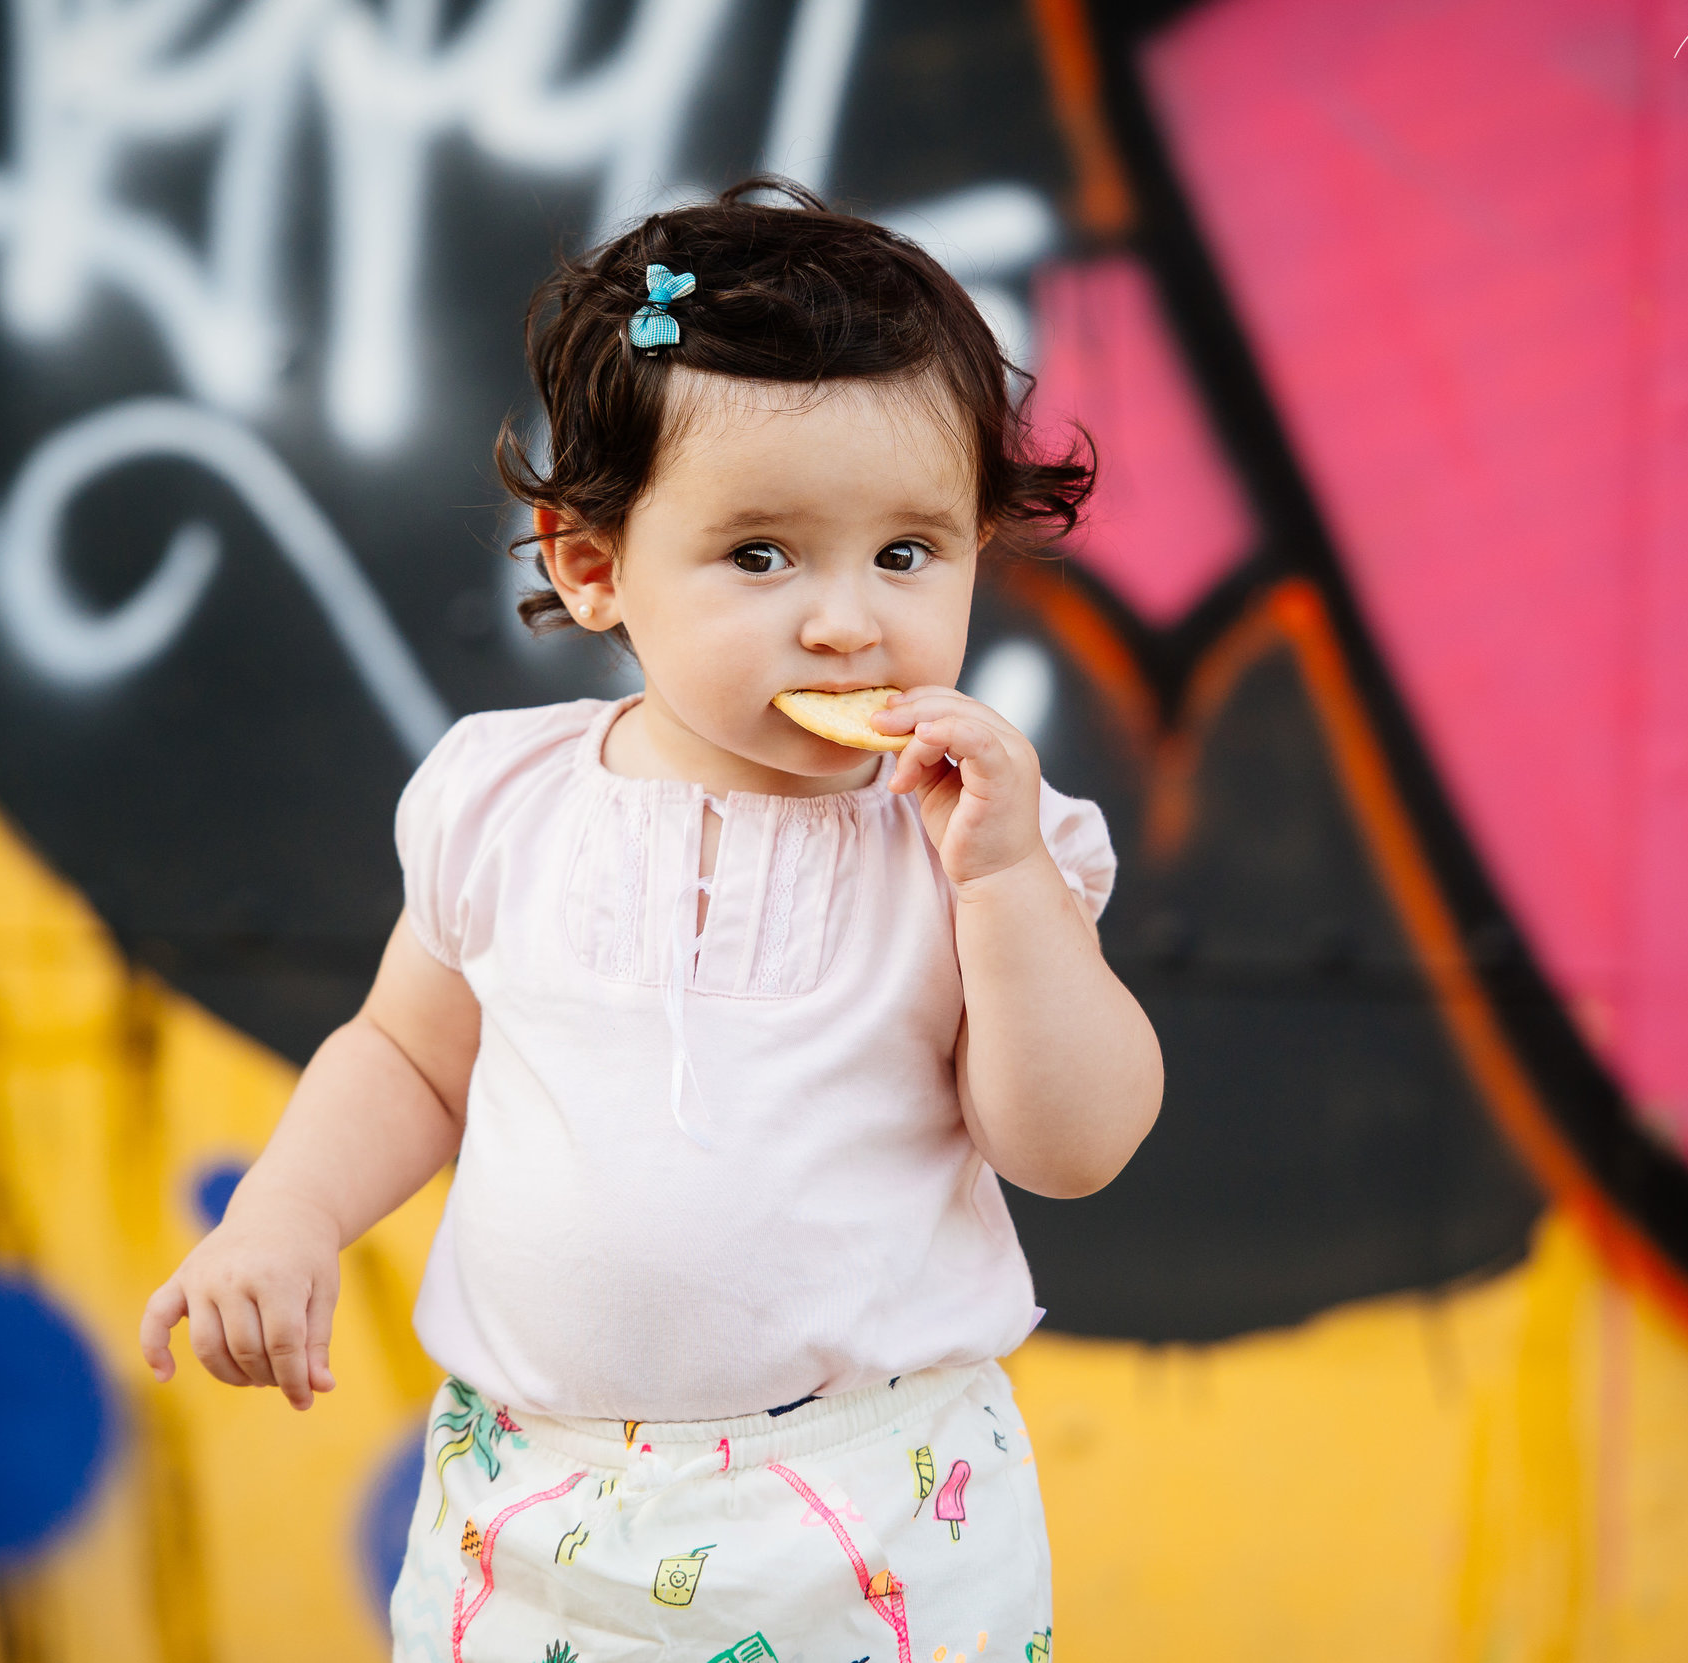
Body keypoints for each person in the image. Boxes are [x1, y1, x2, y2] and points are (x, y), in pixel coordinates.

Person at [140, 177, 1162, 1663]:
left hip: (875, 1511)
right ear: (592, 565)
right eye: (762, 555)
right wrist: (289, 1215)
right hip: (536, 1502)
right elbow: (411, 1060)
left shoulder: (979, 839)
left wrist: (1003, 891)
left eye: (908, 552)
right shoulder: (504, 798)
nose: (845, 621)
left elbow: (1072, 1149)